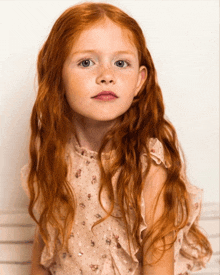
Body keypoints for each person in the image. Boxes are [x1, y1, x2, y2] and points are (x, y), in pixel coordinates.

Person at [20, 2, 212, 275]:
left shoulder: (149, 164)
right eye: (87, 62)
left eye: (121, 63)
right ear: (57, 75)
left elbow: (158, 266)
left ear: (139, 80)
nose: (106, 76)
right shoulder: (53, 149)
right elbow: (45, 240)